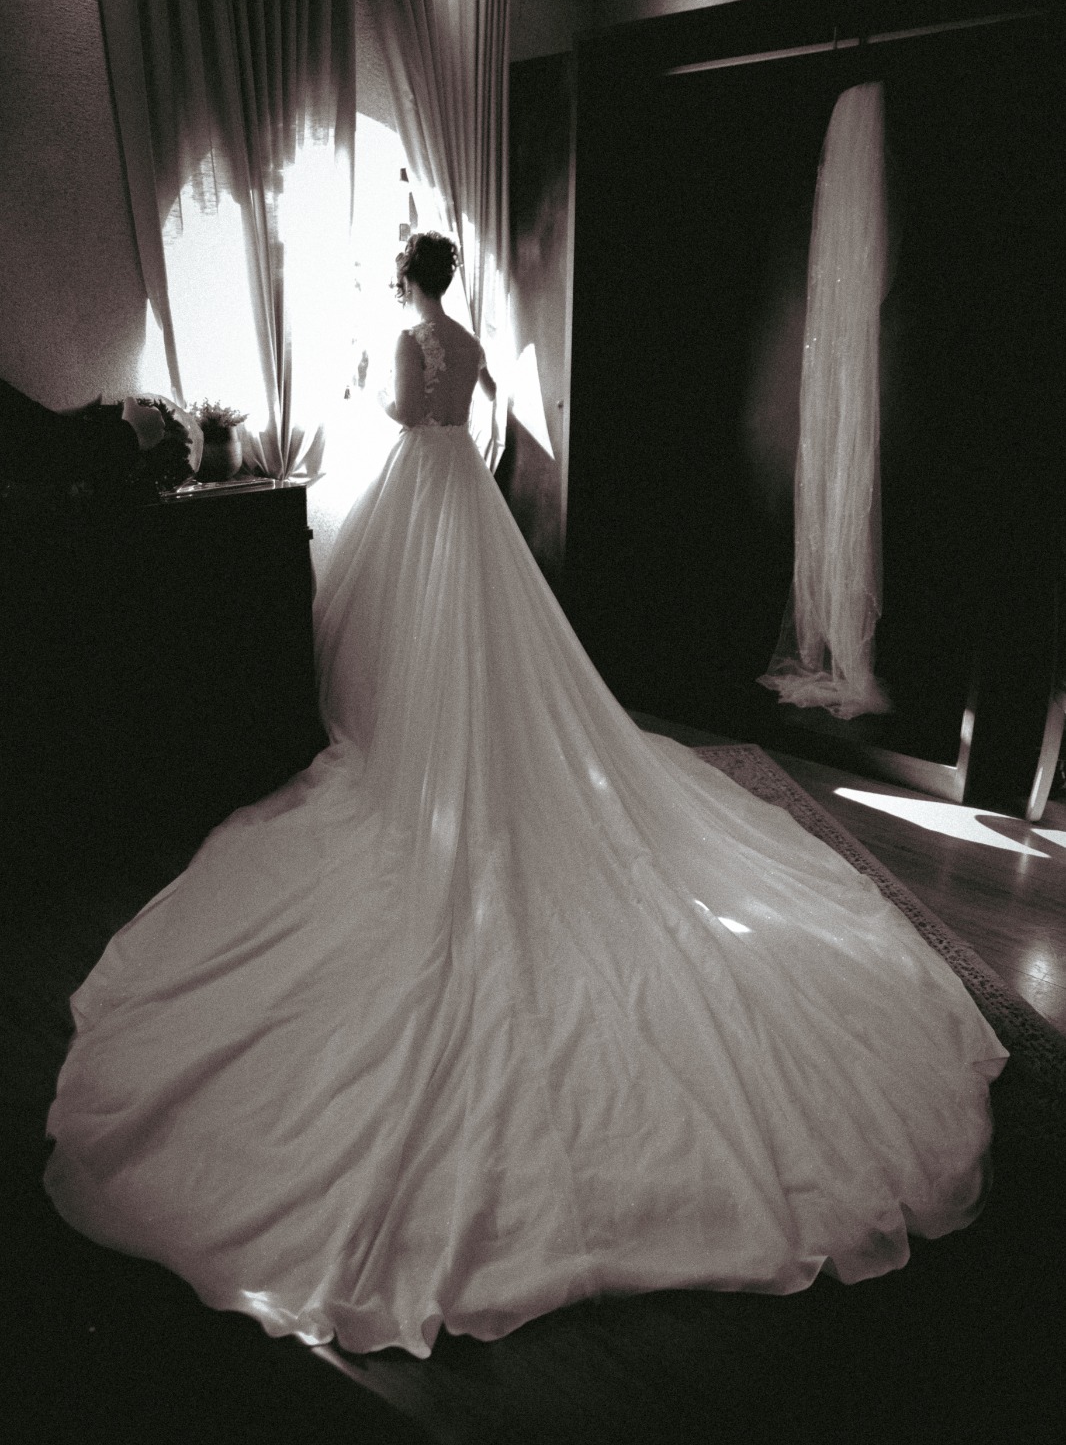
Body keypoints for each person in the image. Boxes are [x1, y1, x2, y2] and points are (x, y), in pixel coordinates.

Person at [45, 232, 1007, 1360]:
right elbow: (478, 413)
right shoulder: (464, 336)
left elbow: (402, 416)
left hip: (422, 487)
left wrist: (373, 392)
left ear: (407, 279)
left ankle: (423, 751)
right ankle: (468, 743)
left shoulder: (409, 338)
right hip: (467, 494)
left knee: (407, 637)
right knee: (480, 642)